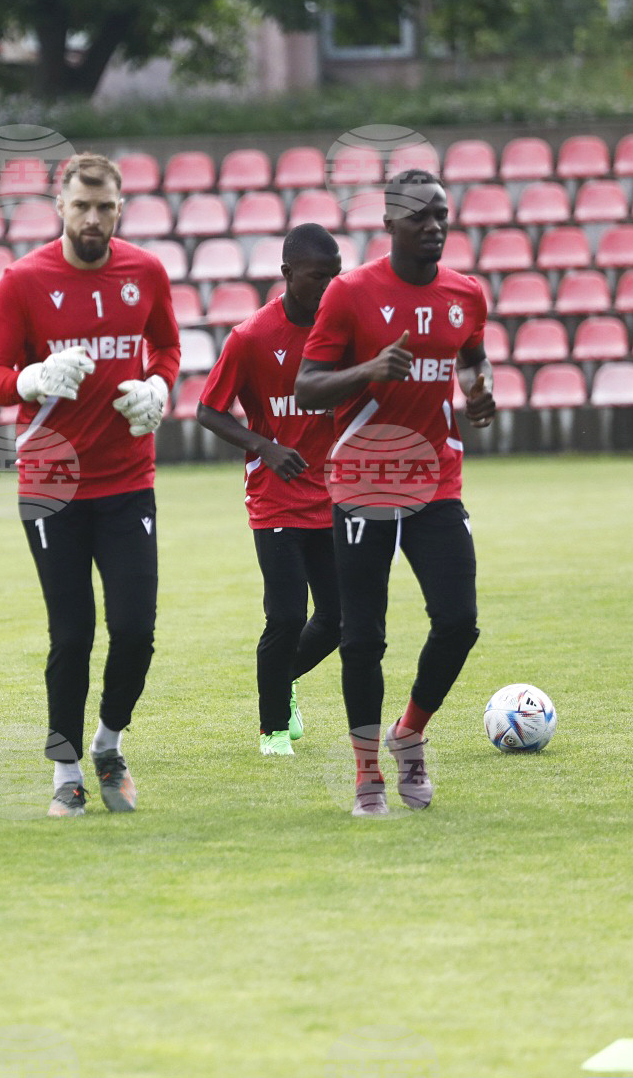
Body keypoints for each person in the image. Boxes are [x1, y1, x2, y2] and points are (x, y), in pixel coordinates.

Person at [0, 152, 181, 818]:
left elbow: (167, 347)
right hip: (51, 484)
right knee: (72, 634)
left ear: (120, 209)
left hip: (128, 481)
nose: (93, 218)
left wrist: (158, 386)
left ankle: (108, 744)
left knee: (135, 630)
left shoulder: (145, 271)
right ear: (59, 207)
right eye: (81, 206)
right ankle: (65, 769)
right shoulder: (23, 279)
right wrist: (30, 378)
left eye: (104, 207)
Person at [294, 169, 495, 817]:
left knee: (458, 622)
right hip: (361, 479)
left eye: (441, 214)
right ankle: (366, 775)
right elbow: (307, 386)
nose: (433, 226)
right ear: (389, 224)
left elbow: (471, 355)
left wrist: (480, 390)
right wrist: (370, 370)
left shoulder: (466, 292)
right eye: (419, 216)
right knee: (362, 636)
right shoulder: (350, 294)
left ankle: (408, 731)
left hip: (436, 479)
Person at [196, 223, 344, 756]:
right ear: (287, 274)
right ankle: (274, 730)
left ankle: (284, 680)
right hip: (275, 497)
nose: (328, 287)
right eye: (317, 277)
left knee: (339, 619)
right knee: (285, 616)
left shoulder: (344, 333)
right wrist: (265, 446)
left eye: (335, 276)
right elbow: (208, 410)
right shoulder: (252, 337)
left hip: (335, 497)